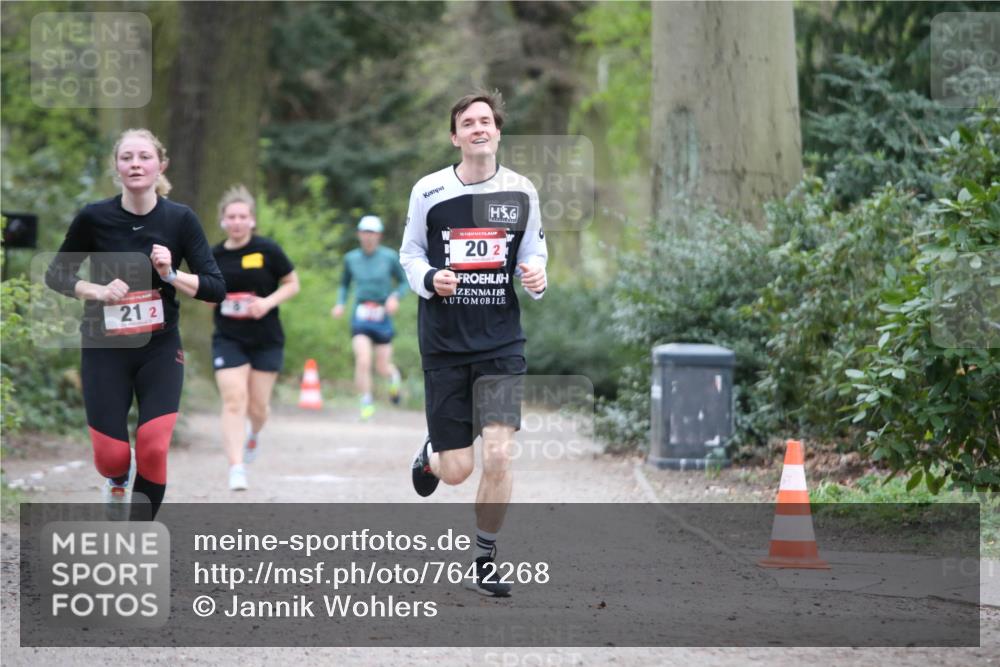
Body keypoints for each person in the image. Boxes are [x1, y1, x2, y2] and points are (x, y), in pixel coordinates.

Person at [400, 91, 548, 597]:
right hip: (444, 344)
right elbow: (410, 253)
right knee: (459, 470)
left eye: (487, 120)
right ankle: (431, 457)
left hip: (501, 343)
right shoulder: (429, 191)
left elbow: (535, 254)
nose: (479, 128)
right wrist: (430, 278)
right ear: (455, 136)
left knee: (500, 456)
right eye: (469, 122)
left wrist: (537, 276)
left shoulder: (520, 190)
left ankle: (484, 559)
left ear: (498, 131)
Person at [45, 128, 225, 518]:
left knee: (154, 447)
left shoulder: (180, 219)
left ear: (160, 164)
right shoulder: (94, 217)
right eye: (127, 157)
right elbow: (57, 274)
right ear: (117, 166)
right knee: (112, 456)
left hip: (159, 347)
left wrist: (171, 274)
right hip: (104, 347)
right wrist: (96, 291)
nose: (136, 164)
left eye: (144, 156)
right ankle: (115, 481)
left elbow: (215, 287)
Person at [211, 185, 299, 491]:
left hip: (266, 338)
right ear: (223, 221)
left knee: (258, 408)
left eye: (242, 216)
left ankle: (253, 432)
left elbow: (292, 283)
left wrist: (267, 302)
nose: (236, 222)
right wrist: (212, 295)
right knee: (234, 399)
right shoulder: (213, 255)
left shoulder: (267, 250)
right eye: (231, 216)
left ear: (251, 220)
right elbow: (207, 296)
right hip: (228, 337)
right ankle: (236, 467)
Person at [331, 215, 408, 420]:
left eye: (373, 233)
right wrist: (340, 303)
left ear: (379, 235)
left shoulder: (389, 257)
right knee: (363, 360)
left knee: (382, 367)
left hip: (382, 316)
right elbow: (344, 284)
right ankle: (366, 401)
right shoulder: (351, 259)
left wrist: (395, 297)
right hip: (361, 316)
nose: (369, 237)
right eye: (365, 232)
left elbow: (403, 282)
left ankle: (394, 378)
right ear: (359, 234)